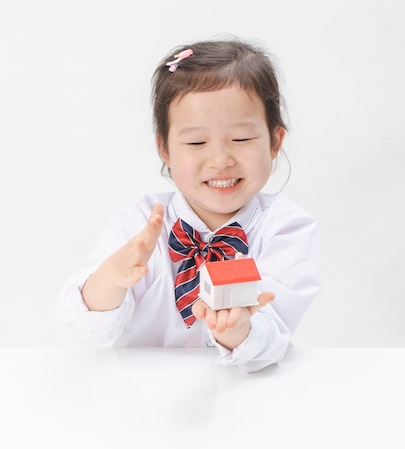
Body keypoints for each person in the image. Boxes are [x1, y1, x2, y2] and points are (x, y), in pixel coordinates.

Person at [57, 36, 321, 373]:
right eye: (196, 141)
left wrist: (237, 329)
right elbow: (84, 327)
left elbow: (272, 337)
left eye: (241, 139)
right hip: (140, 395)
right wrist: (113, 278)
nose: (220, 159)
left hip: (248, 397)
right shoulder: (139, 224)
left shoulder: (287, 228)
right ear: (165, 148)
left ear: (274, 141)